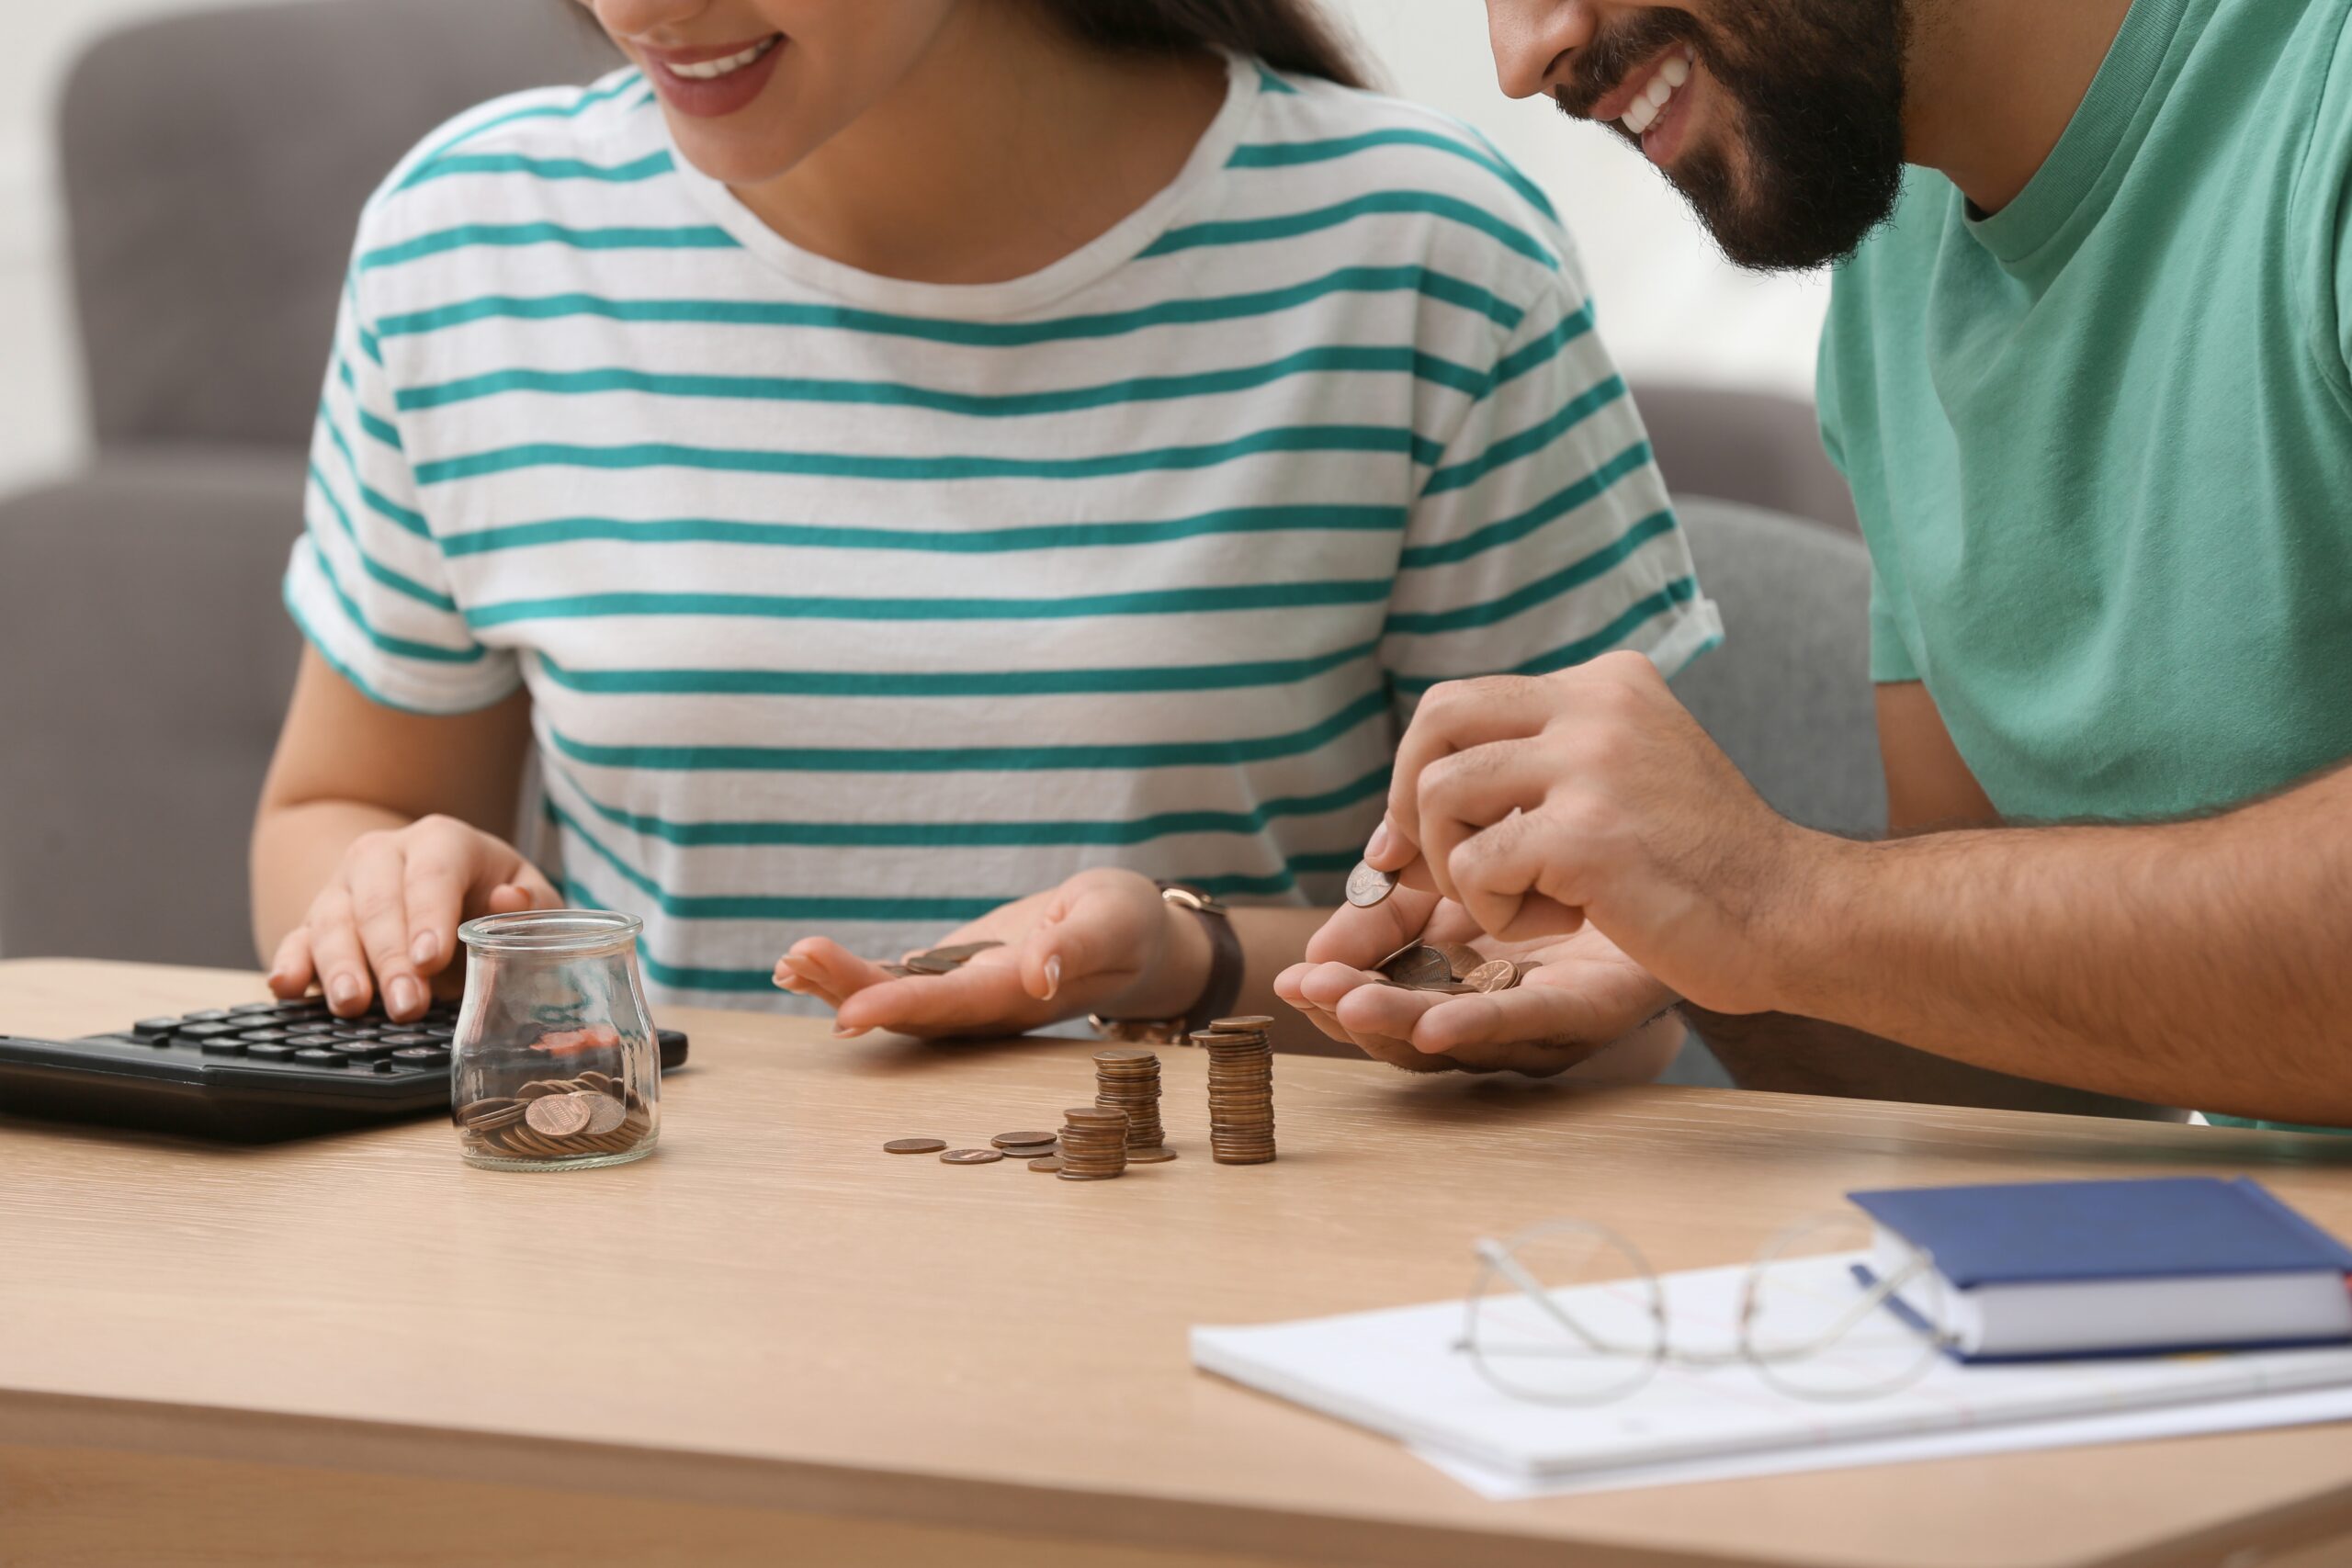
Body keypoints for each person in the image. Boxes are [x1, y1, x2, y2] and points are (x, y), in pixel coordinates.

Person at [250, 0, 1717, 1075]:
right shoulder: (468, 240)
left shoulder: (1421, 253)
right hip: (648, 1280)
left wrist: (1187, 962)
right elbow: (335, 813)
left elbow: (1601, 972)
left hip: (1240, 1288)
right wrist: (394, 903)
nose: (641, 10)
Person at [1281, 0, 2352, 1129]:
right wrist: (1705, 954)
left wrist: (1779, 903)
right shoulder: (1897, 275)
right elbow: (2030, 1054)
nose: (1522, 54)